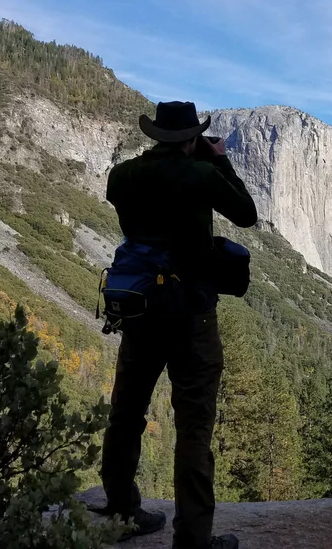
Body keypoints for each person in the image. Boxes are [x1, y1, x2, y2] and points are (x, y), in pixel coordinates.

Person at [95, 101, 257, 549]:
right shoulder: (201, 175)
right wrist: (218, 160)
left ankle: (121, 509)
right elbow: (246, 212)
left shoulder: (122, 176)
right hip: (191, 312)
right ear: (192, 138)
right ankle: (193, 538)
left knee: (127, 411)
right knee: (194, 425)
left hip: (140, 307)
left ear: (155, 136)